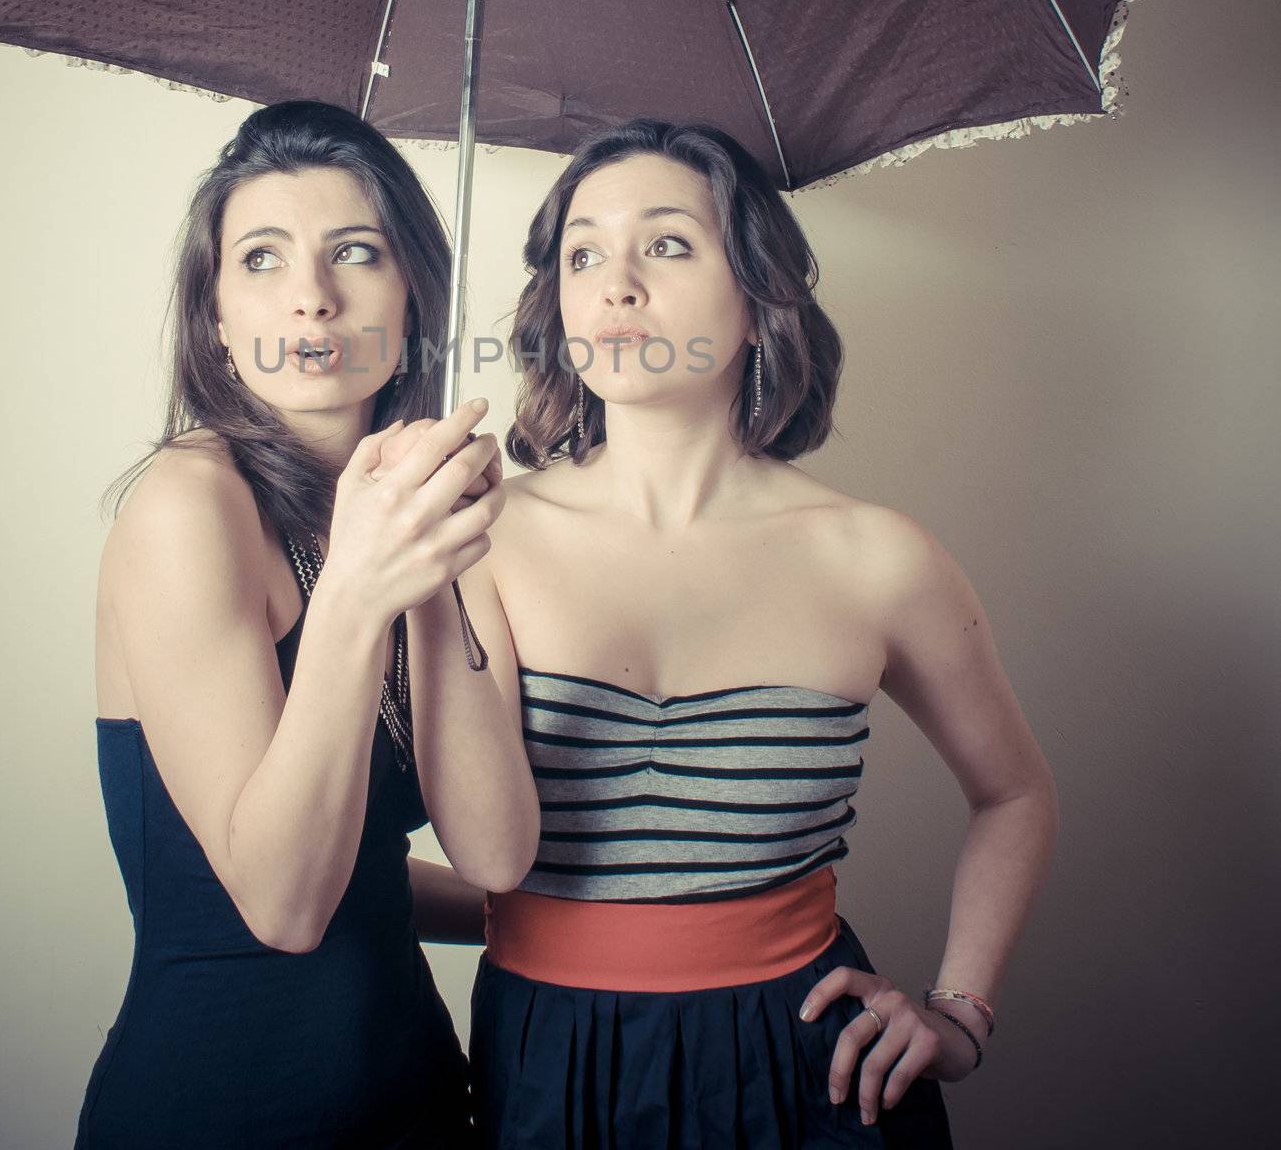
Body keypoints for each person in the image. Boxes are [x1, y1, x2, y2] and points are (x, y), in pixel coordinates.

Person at [460, 118, 1060, 1148]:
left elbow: (1015, 794)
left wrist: (960, 1014)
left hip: (807, 1063)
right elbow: (473, 851)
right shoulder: (477, 539)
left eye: (667, 243)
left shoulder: (876, 556)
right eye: (582, 252)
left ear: (756, 294)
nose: (617, 284)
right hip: (547, 1059)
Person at [75, 100, 534, 1150]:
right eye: (264, 259)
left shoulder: (411, 515)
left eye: (355, 253)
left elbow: (482, 856)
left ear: (413, 292)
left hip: (424, 1099)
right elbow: (284, 904)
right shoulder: (186, 509)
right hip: (225, 1107)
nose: (313, 299)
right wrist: (363, 588)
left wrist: (426, 563)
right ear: (217, 316)